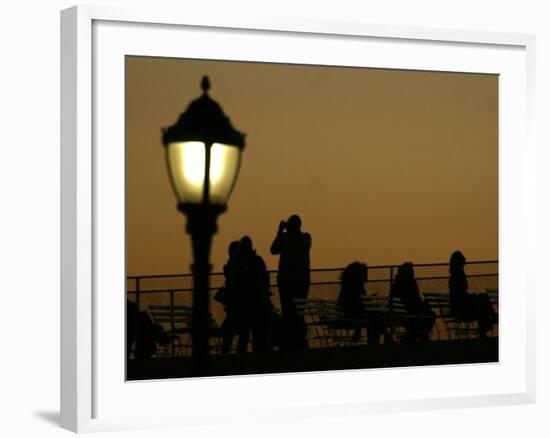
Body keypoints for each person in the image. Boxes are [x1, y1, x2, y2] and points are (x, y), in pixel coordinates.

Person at [270, 214, 311, 349]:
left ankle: (296, 341)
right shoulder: (297, 238)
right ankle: (292, 341)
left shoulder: (304, 237)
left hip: (293, 282)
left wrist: (281, 232)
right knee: (290, 312)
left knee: (294, 312)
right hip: (293, 281)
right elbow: (273, 250)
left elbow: (275, 249)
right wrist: (281, 232)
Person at [236, 236, 273, 353]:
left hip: (248, 304)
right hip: (259, 303)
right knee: (259, 335)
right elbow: (265, 279)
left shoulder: (240, 264)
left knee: (245, 335)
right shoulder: (258, 261)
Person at [448, 250, 497, 337]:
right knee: (482, 300)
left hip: (463, 305)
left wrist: (470, 296)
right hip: (461, 308)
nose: (464, 262)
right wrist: (470, 297)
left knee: (482, 301)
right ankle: (492, 318)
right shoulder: (457, 276)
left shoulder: (458, 274)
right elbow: (459, 296)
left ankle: (487, 325)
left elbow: (460, 294)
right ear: (459, 262)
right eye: (463, 259)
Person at [338, 262, 385, 344]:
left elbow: (358, 301)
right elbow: (357, 303)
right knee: (376, 318)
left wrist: (367, 300)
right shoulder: (354, 286)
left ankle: (377, 340)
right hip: (353, 314)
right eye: (365, 273)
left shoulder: (350, 285)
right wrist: (367, 300)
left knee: (376, 317)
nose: (367, 276)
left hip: (354, 313)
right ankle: (378, 341)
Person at [391, 262, 435, 342]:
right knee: (427, 313)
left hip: (409, 311)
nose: (412, 273)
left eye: (412, 272)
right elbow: (410, 300)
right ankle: (420, 334)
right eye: (410, 272)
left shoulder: (406, 284)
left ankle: (418, 334)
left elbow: (415, 298)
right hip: (407, 312)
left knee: (428, 313)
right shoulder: (400, 285)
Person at [215, 240, 242, 353]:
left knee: (229, 334)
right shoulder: (235, 268)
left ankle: (226, 354)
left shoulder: (229, 267)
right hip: (237, 308)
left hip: (233, 308)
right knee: (236, 332)